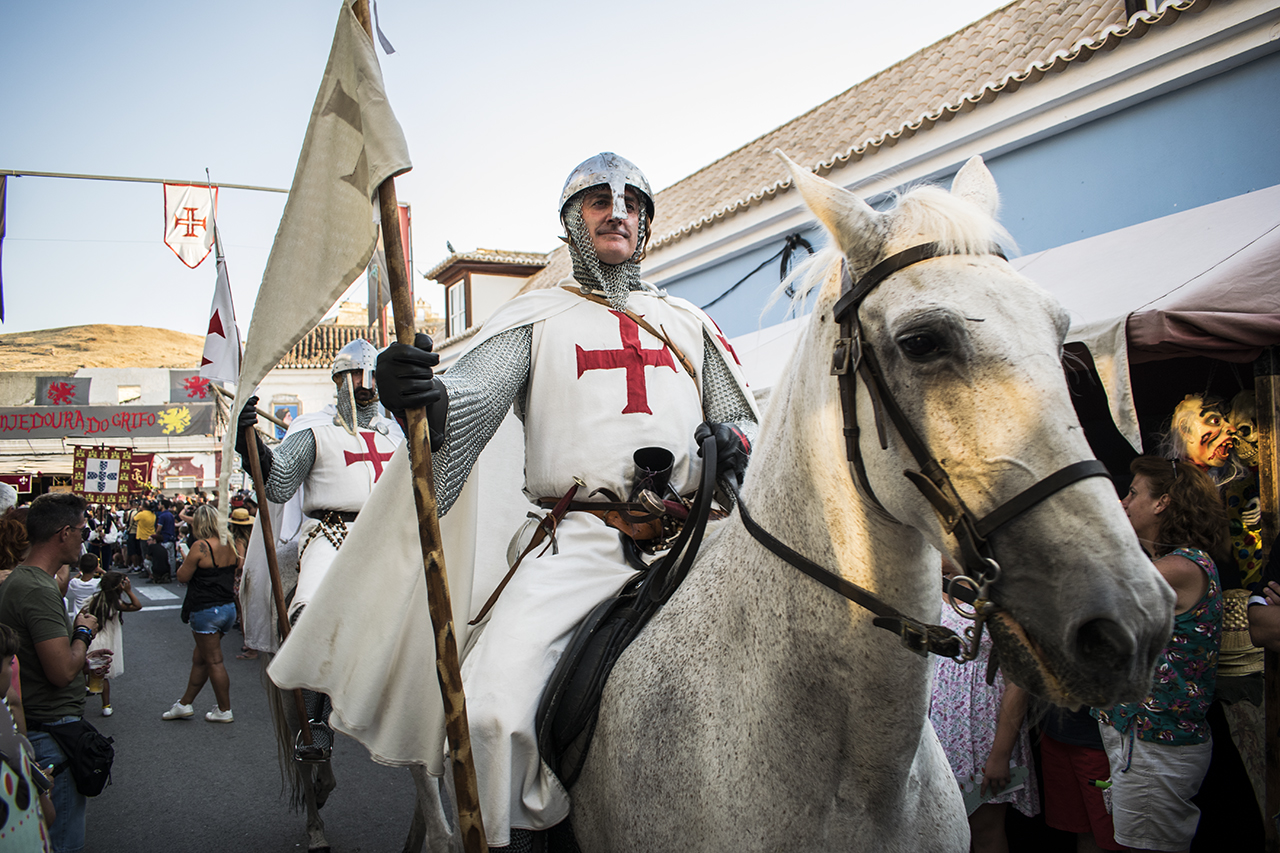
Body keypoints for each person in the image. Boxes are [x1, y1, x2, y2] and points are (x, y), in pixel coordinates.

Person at [373, 153, 759, 848]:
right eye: (598, 201)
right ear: (570, 225)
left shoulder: (687, 321)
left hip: (698, 543)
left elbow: (748, 427)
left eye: (633, 203)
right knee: (489, 713)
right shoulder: (536, 320)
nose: (619, 211)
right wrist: (422, 396)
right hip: (580, 545)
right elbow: (469, 402)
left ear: (645, 224)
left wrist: (735, 447)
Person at [236, 338, 403, 753]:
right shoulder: (314, 429)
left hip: (386, 536)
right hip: (330, 533)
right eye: (354, 376)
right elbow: (279, 479)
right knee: (310, 609)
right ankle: (315, 720)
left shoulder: (395, 433)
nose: (363, 385)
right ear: (338, 378)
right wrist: (249, 441)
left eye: (370, 377)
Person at [1094, 456, 1227, 853]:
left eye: (1133, 492)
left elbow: (1092, 592)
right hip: (1140, 743)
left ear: (1162, 503)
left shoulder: (1183, 567)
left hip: (1155, 748)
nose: (1123, 502)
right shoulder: (1163, 563)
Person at [0, 492, 112, 853]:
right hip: (50, 732)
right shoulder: (36, 588)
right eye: (83, 529)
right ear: (64, 533)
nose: (87, 536)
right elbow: (61, 671)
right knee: (63, 843)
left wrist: (80, 656)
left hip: (43, 727)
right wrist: (82, 633)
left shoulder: (26, 581)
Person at [930, 559, 1039, 853]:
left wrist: (1000, 754)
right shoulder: (929, 584)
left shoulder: (1003, 594)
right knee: (937, 828)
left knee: (985, 830)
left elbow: (1019, 681)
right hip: (938, 728)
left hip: (982, 730)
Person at [161, 505, 239, 723]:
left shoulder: (201, 546)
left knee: (213, 661)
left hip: (206, 609)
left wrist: (185, 556)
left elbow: (182, 577)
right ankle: (184, 704)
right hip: (228, 608)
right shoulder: (230, 543)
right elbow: (238, 565)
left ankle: (224, 710)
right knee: (201, 658)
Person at [0, 622, 55, 850]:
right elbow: (45, 816)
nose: (12, 670)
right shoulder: (9, 744)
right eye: (10, 663)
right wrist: (42, 785)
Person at [82, 571, 142, 717]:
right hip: (105, 641)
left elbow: (82, 613)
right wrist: (128, 591)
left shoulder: (92, 600)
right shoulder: (115, 604)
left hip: (91, 638)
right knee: (103, 676)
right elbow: (137, 605)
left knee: (84, 670)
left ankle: (84, 692)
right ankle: (106, 706)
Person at [227, 508, 256, 660]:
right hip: (254, 574)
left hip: (242, 576)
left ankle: (250, 647)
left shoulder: (238, 540)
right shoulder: (254, 537)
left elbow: (240, 563)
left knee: (243, 611)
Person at [62, 554, 100, 620]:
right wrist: (102, 571)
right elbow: (109, 580)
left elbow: (69, 581)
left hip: (77, 617)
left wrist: (80, 573)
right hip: (94, 616)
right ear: (96, 568)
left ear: (80, 567)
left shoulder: (75, 583)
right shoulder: (98, 583)